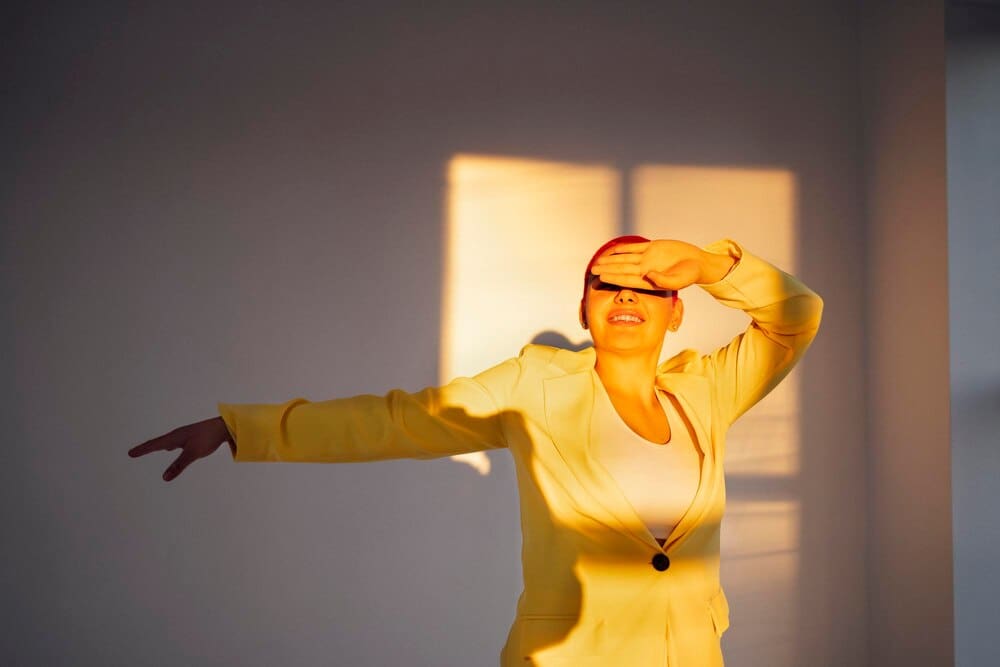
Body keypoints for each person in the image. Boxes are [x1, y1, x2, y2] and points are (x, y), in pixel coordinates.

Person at [130, 236, 823, 666]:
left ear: (677, 310)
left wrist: (707, 264)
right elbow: (396, 420)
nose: (625, 296)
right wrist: (240, 427)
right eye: (605, 283)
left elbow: (798, 317)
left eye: (649, 285)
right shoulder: (533, 384)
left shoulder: (707, 391)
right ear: (584, 308)